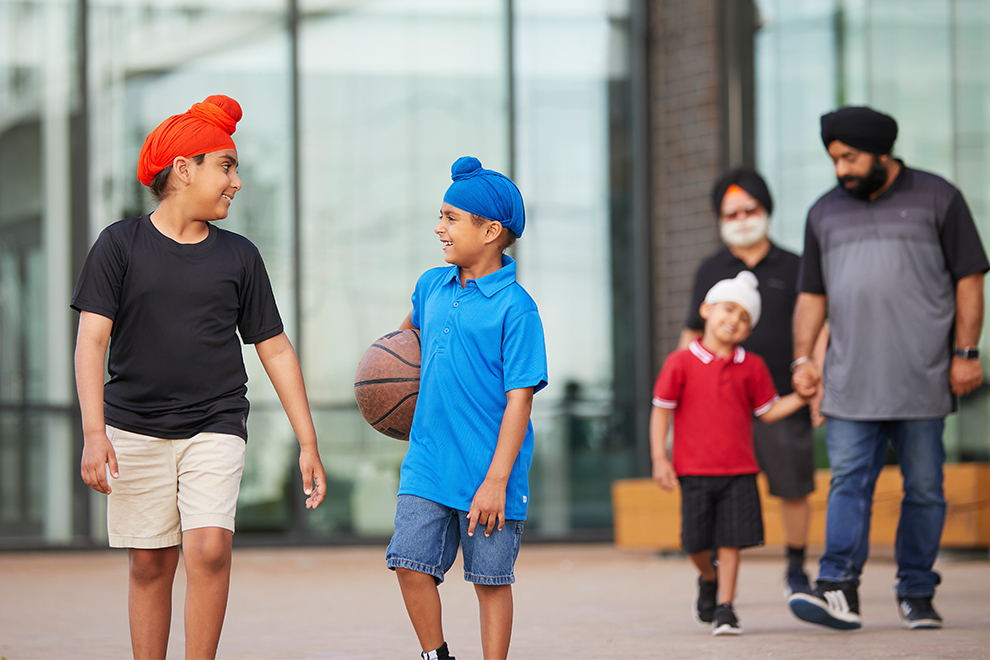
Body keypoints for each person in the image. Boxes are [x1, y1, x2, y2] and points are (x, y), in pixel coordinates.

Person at [72, 95, 327, 659]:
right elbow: (91, 341)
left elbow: (276, 350)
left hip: (216, 419)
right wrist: (95, 433)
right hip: (133, 426)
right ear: (183, 170)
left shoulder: (240, 257)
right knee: (150, 562)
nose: (236, 181)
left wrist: (307, 440)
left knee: (209, 549)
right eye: (226, 166)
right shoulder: (120, 244)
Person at [788, 105, 988, 631]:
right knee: (848, 482)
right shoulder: (823, 212)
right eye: (834, 160)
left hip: (922, 376)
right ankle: (837, 589)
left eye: (849, 158)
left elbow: (970, 278)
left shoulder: (939, 197)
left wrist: (967, 352)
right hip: (851, 381)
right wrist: (803, 359)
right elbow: (812, 295)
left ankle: (917, 591)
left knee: (924, 487)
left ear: (881, 152)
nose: (841, 170)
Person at [386, 156, 548, 660]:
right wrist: (388, 387)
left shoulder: (516, 308)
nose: (439, 228)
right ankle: (437, 656)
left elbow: (519, 401)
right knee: (409, 565)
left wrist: (497, 479)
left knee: (490, 581)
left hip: (490, 470)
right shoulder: (431, 286)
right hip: (429, 463)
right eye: (441, 215)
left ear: (491, 230)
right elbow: (405, 341)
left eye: (451, 218)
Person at [679, 167, 821, 597]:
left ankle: (796, 569)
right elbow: (690, 334)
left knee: (793, 487)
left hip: (779, 397)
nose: (741, 218)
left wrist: (817, 381)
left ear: (766, 211)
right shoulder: (709, 269)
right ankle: (714, 579)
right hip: (718, 409)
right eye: (731, 212)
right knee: (713, 494)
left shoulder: (796, 265)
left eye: (749, 209)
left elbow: (820, 327)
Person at [652, 271, 809, 636]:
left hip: (739, 470)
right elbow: (661, 410)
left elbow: (768, 410)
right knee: (694, 543)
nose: (734, 320)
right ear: (706, 309)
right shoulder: (679, 362)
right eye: (728, 309)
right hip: (693, 471)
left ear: (749, 331)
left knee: (731, 540)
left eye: (744, 317)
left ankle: (726, 607)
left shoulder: (752, 366)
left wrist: (803, 398)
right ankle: (709, 577)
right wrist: (661, 458)